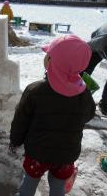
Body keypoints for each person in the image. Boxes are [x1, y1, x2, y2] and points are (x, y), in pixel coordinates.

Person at [10, 35, 96, 196]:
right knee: (58, 187)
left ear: (52, 61)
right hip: (66, 154)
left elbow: (21, 120)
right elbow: (89, 115)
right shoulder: (83, 93)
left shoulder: (35, 91)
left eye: (48, 55)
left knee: (29, 183)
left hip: (37, 153)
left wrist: (15, 140)